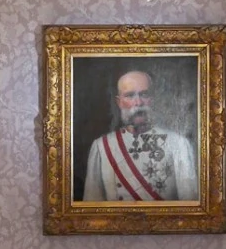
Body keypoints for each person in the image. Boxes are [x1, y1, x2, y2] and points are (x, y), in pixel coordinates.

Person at [80, 68, 198, 202]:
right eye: (130, 95)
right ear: (119, 102)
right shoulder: (101, 147)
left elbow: (190, 204)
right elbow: (92, 207)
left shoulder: (178, 144)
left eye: (144, 94)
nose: (138, 103)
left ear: (152, 98)